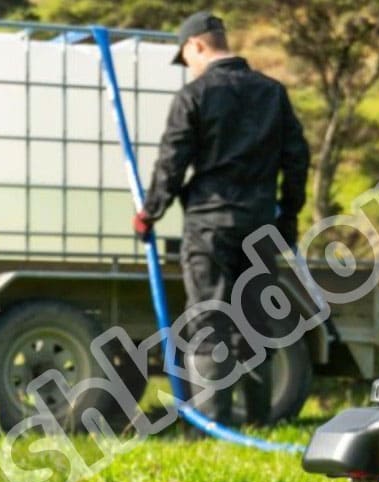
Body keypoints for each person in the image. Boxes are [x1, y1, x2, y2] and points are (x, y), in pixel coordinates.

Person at [132, 10, 310, 426]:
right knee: (255, 321)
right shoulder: (273, 93)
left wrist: (149, 213)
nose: (188, 67)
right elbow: (297, 157)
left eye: (186, 58)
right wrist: (288, 217)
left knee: (209, 319)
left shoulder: (194, 96)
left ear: (196, 46)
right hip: (261, 223)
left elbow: (172, 162)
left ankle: (214, 428)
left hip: (209, 226)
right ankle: (259, 421)